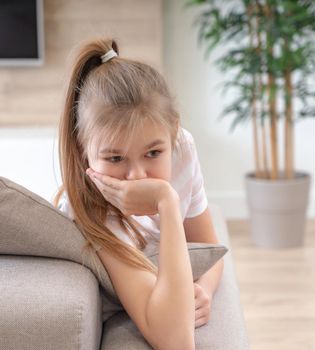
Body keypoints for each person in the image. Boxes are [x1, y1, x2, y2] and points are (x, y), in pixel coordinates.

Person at [53, 37, 224, 349]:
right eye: (115, 159)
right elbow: (175, 341)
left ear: (173, 132)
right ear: (83, 153)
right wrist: (166, 202)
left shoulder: (181, 148)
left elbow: (210, 248)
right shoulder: (89, 213)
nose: (136, 177)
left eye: (153, 153)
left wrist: (206, 288)